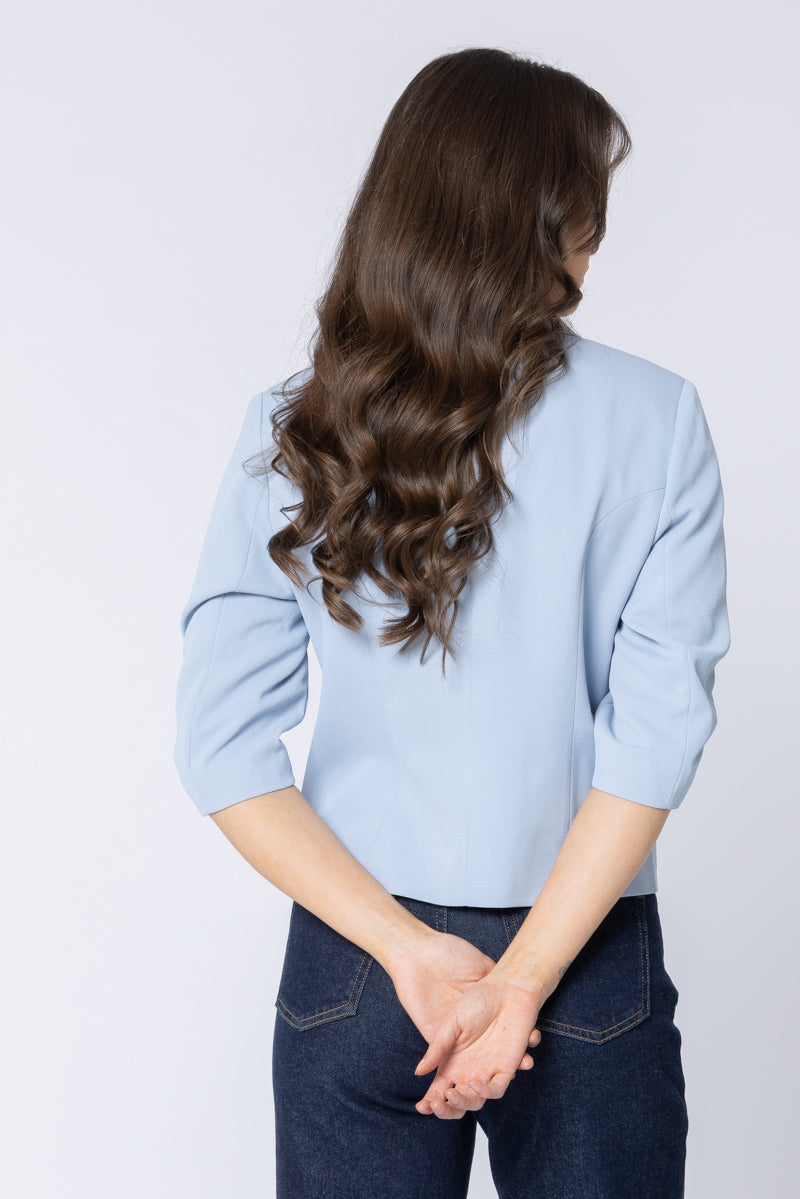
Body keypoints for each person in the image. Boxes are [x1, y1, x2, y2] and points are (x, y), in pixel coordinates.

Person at [173, 47, 730, 1199]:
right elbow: (653, 738)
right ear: (541, 217)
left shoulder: (297, 427)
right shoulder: (656, 417)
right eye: (584, 200)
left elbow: (219, 749)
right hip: (580, 952)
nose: (599, 232)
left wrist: (404, 946)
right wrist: (520, 978)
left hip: (358, 956)